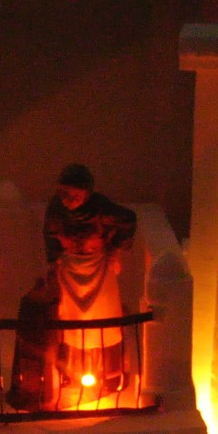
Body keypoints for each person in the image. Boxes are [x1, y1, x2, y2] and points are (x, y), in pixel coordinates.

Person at [42, 164, 137, 395]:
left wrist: (114, 250)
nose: (68, 200)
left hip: (99, 270)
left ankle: (109, 375)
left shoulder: (100, 207)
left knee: (104, 323)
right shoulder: (56, 209)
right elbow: (50, 233)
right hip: (70, 271)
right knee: (73, 324)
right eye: (64, 194)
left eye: (74, 195)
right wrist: (55, 261)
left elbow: (128, 220)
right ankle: (74, 372)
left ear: (86, 193)